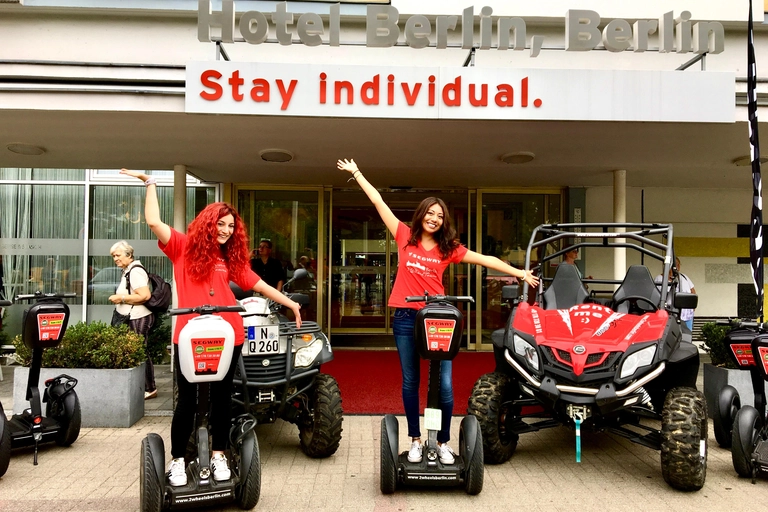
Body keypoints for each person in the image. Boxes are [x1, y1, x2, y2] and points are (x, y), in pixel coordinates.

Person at [337, 158, 539, 465]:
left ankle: (443, 442)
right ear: (421, 215)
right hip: (406, 318)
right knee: (411, 381)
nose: (434, 218)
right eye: (430, 213)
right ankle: (415, 440)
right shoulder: (404, 236)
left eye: (440, 215)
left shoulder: (448, 249)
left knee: (443, 384)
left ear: (444, 222)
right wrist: (357, 173)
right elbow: (378, 202)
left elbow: (485, 259)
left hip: (437, 319)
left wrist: (519, 273)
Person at [120, 168, 302, 488]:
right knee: (187, 400)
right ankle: (178, 460)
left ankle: (219, 455)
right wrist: (150, 183)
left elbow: (258, 284)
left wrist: (291, 303)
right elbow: (153, 222)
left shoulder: (228, 257)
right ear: (208, 222)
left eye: (231, 226)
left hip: (228, 333)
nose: (226, 231)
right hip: (190, 335)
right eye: (221, 224)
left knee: (222, 397)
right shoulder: (183, 246)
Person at [107, 241, 157, 400]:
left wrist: (120, 298)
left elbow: (144, 295)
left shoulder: (135, 271)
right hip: (132, 316)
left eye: (118, 255)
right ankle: (142, 387)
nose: (115, 259)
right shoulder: (128, 270)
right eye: (113, 256)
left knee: (140, 351)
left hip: (138, 317)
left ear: (128, 255)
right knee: (137, 351)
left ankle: (150, 388)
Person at [655, 256, 696, 331]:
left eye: (679, 264)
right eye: (676, 264)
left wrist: (693, 308)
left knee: (686, 334)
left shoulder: (684, 277)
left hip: (687, 315)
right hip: (670, 314)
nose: (678, 266)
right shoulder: (659, 279)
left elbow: (693, 291)